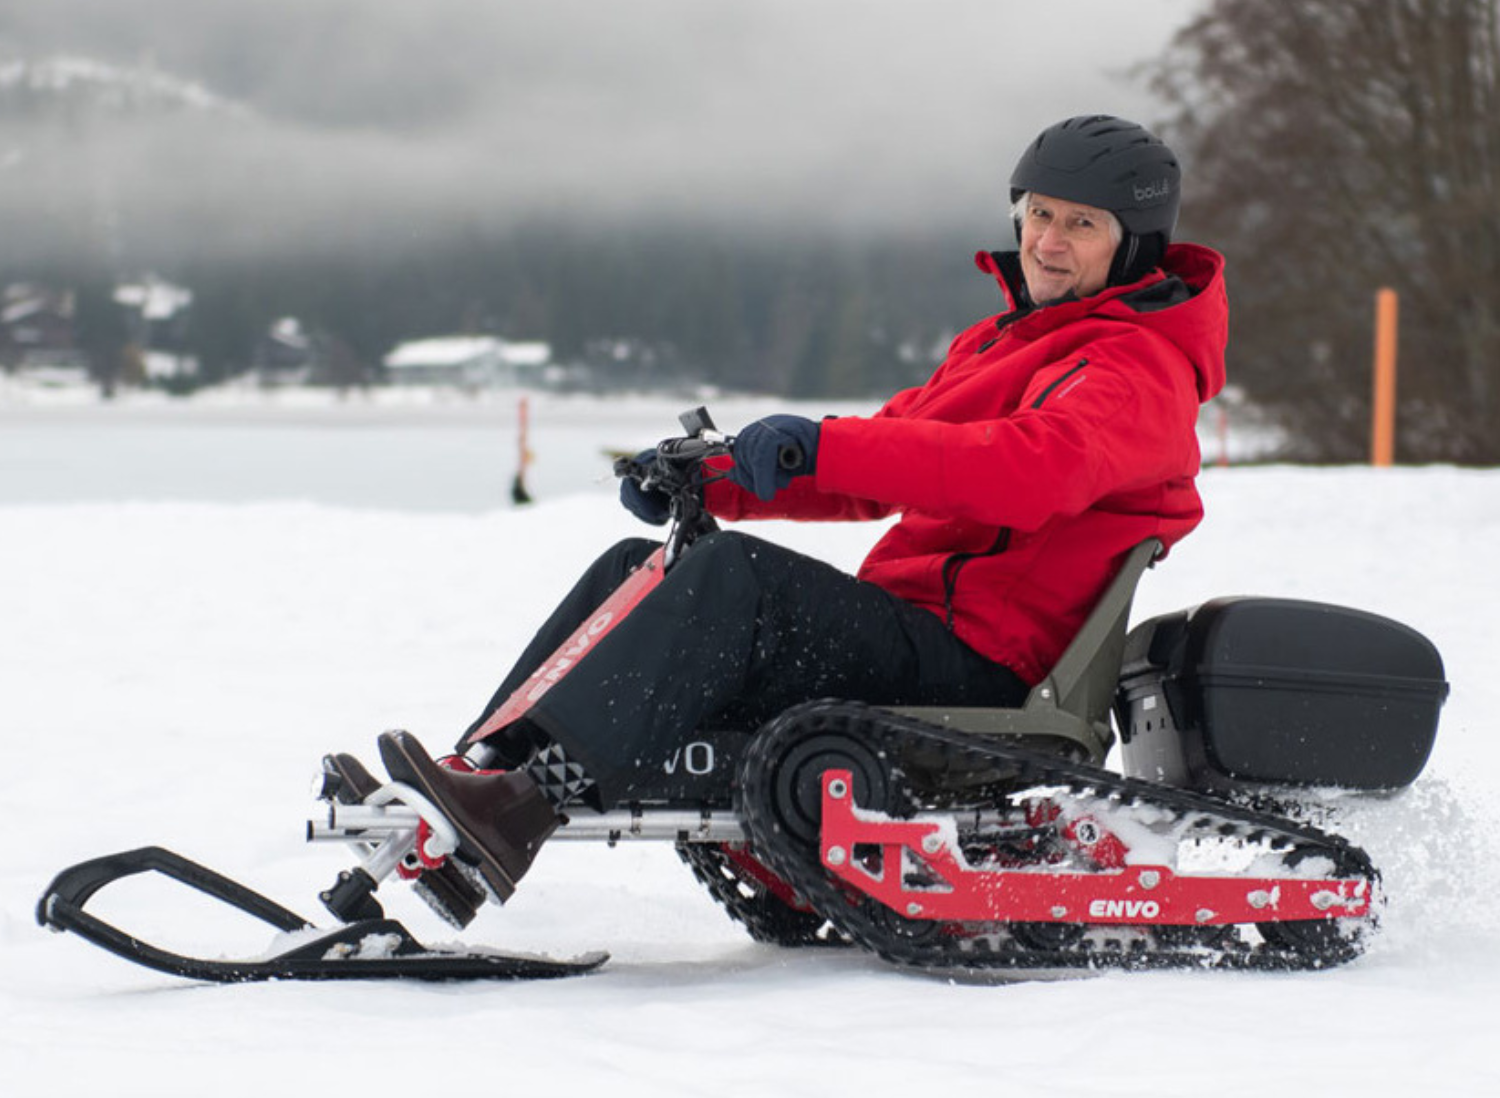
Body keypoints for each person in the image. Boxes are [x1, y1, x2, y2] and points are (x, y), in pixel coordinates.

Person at [376, 114, 1228, 907]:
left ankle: (517, 808)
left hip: (986, 663)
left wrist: (820, 444)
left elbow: (1032, 471)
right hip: (917, 629)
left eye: (1082, 224)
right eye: (1039, 213)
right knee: (638, 572)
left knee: (732, 579)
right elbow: (885, 462)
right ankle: (484, 769)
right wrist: (720, 481)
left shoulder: (1137, 367)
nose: (1047, 241)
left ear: (1135, 244)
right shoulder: (1006, 343)